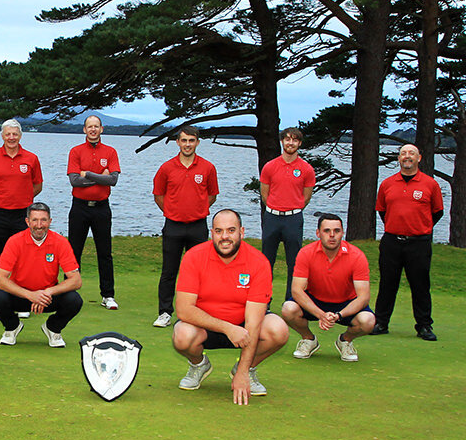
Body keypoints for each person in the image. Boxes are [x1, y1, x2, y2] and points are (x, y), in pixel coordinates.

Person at [171, 209, 288, 404]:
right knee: (182, 335)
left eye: (231, 230)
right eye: (219, 231)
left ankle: (248, 368)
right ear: (212, 233)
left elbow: (254, 321)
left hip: (244, 328)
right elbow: (184, 309)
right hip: (206, 325)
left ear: (242, 232)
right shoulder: (194, 256)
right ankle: (199, 365)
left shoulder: (259, 262)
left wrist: (242, 371)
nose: (225, 237)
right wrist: (227, 328)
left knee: (279, 330)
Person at [282, 214, 375, 362]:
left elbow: (363, 297)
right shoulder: (306, 253)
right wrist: (320, 315)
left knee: (368, 321)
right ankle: (308, 339)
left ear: (342, 233)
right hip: (315, 300)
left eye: (337, 231)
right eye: (326, 231)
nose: (332, 236)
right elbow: (297, 290)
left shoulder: (357, 256)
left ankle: (345, 340)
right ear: (318, 233)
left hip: (346, 303)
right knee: (288, 309)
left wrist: (338, 315)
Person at [373, 144, 444, 340]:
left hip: (419, 243)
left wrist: (419, 227)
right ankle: (380, 322)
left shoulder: (430, 184)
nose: (407, 156)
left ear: (419, 158)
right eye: (403, 153)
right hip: (392, 241)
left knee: (420, 285)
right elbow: (382, 210)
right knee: (388, 283)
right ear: (399, 158)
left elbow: (437, 212)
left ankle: (424, 326)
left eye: (411, 153)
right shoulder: (387, 184)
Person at [152, 125, 218, 327]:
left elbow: (212, 195)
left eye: (191, 140)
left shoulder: (207, 167)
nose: (187, 144)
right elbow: (158, 195)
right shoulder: (167, 167)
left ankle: (197, 313)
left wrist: (196, 210)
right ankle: (165, 312)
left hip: (198, 226)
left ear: (197, 142)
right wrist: (174, 211)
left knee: (200, 271)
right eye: (184, 140)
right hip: (173, 225)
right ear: (178, 142)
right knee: (169, 271)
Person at [0, 202, 82, 348]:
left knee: (74, 300)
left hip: (48, 297)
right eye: (35, 220)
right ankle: (12, 327)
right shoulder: (15, 241)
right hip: (21, 295)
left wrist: (47, 292)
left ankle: (53, 328)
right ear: (27, 222)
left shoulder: (60, 242)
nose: (39, 225)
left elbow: (76, 281)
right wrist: (30, 295)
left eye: (43, 220)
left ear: (50, 221)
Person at [0, 119, 42, 315]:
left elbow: (37, 185)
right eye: (8, 134)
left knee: (23, 260)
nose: (11, 137)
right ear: (2, 136)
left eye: (15, 134)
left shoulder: (31, 158)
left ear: (20, 136)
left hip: (22, 215)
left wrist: (22, 199)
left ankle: (23, 302)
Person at [67, 114, 121, 310]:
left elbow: (113, 180)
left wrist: (87, 174)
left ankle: (108, 295)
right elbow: (74, 181)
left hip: (101, 208)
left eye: (96, 126)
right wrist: (101, 176)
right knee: (73, 251)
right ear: (84, 130)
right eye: (89, 127)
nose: (93, 130)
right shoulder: (76, 151)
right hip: (79, 207)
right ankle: (68, 292)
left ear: (101, 129)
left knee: (105, 252)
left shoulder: (111, 151)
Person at [259, 127, 315, 303]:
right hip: (272, 218)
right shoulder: (270, 166)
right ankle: (263, 300)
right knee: (267, 262)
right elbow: (264, 194)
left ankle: (291, 300)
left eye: (295, 140)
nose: (291, 143)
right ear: (282, 141)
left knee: (295, 263)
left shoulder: (306, 169)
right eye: (287, 139)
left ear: (299, 143)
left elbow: (306, 197)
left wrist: (292, 208)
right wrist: (276, 208)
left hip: (293, 218)